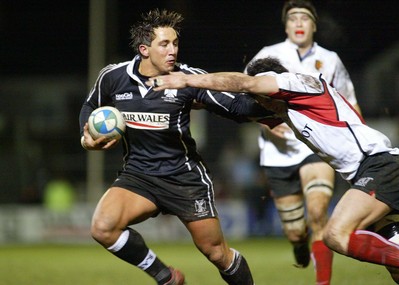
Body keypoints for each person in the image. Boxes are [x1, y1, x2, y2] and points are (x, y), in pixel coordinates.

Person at [148, 56, 399, 284]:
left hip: (380, 165)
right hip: (372, 172)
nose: (260, 104)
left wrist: (185, 79)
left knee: (335, 234)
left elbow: (245, 85)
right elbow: (233, 107)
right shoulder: (290, 109)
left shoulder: (296, 83)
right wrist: (188, 98)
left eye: (260, 95)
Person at [79, 9, 272, 285]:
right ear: (144, 49)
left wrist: (272, 100)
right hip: (138, 176)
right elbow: (89, 106)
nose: (173, 51)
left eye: (175, 43)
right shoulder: (113, 77)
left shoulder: (188, 78)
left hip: (184, 178)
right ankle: (164, 276)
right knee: (102, 228)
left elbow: (235, 107)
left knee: (216, 253)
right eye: (164, 44)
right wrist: (87, 136)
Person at [244, 1, 360, 283]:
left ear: (314, 25)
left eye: (304, 18)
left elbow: (349, 102)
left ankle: (322, 281)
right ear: (285, 26)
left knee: (318, 212)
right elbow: (242, 96)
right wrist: (264, 123)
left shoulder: (330, 59)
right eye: (292, 18)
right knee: (295, 230)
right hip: (277, 154)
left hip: (317, 148)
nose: (298, 23)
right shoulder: (268, 55)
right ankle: (299, 243)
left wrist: (360, 141)